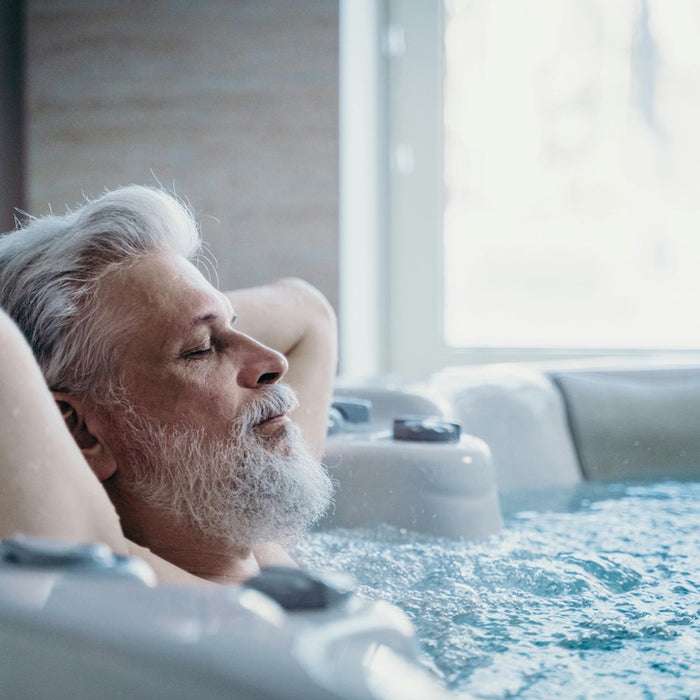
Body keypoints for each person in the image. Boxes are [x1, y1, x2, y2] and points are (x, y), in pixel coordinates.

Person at [0, 185, 337, 585]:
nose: (274, 362)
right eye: (199, 351)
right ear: (79, 430)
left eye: (236, 326)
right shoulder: (107, 575)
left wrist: (179, 312)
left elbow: (310, 316)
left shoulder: (254, 523)